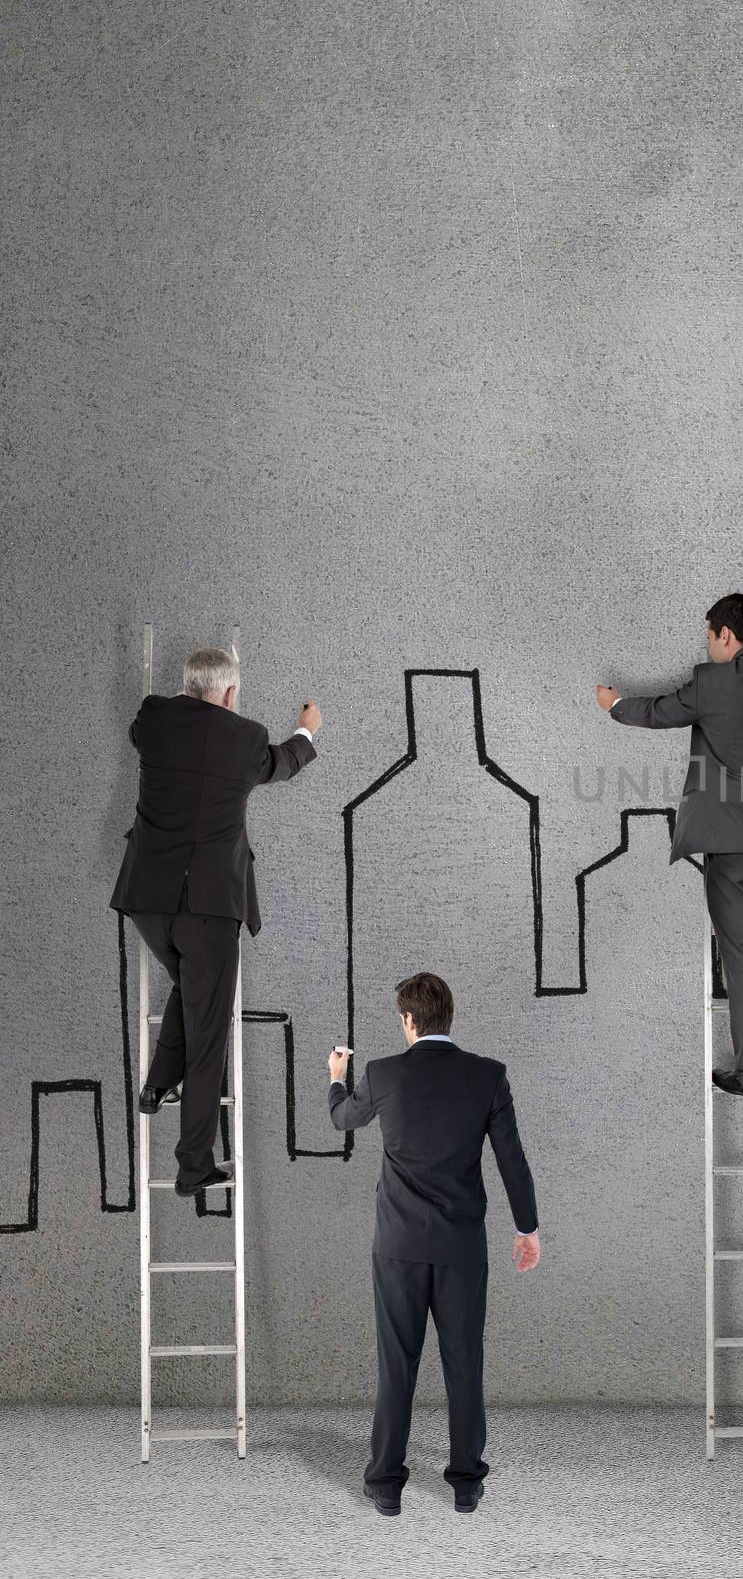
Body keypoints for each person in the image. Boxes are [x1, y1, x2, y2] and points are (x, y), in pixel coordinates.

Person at [597, 593, 743, 1106]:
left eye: (709, 635)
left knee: (742, 957)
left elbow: (657, 713)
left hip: (732, 845)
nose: (709, 645)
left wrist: (613, 705)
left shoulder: (712, 683)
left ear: (726, 634)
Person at [111, 646, 321, 1194]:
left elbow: (140, 734)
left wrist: (181, 703)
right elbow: (284, 763)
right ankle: (192, 1166)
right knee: (209, 1035)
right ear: (229, 694)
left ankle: (157, 1085)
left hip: (148, 900)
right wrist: (308, 730)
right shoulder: (246, 738)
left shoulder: (153, 718)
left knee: (192, 988)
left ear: (187, 687)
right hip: (209, 908)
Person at [329, 971, 540, 1516]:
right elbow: (511, 1159)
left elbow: (341, 1119)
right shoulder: (488, 1077)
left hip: (397, 1246)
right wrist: (526, 1228)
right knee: (464, 1362)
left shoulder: (380, 1074)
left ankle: (384, 1484)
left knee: (397, 1362)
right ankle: (466, 1482)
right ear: (448, 1017)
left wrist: (336, 1077)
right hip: (462, 1249)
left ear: (409, 1020)